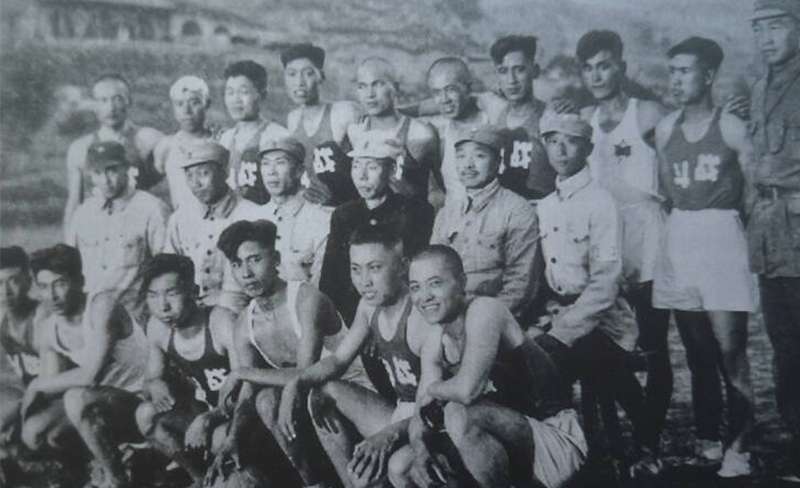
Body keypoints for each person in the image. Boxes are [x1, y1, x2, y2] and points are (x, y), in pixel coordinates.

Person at [394, 245, 584, 488]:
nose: (425, 296)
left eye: (435, 283)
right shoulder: (435, 335)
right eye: (415, 287)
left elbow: (467, 391)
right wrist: (420, 449)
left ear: (461, 282)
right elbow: (420, 413)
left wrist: (433, 389)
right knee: (403, 465)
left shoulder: (485, 310)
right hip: (503, 442)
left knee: (458, 413)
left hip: (554, 442)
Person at [653, 37, 756, 477]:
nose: (676, 80)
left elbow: (751, 193)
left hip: (721, 234)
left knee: (731, 348)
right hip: (682, 233)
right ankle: (709, 440)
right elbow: (665, 191)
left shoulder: (730, 127)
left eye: (685, 71)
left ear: (709, 75)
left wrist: (730, 230)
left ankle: (741, 447)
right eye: (672, 71)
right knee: (697, 350)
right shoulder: (665, 129)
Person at [576, 29, 672, 471]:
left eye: (605, 65)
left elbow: (686, 135)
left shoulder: (647, 113)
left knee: (653, 348)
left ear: (622, 67)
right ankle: (617, 438)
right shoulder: (584, 119)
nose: (597, 75)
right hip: (604, 243)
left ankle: (648, 445)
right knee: (604, 346)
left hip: (647, 238)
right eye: (589, 68)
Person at [213, 219, 368, 488]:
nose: (246, 273)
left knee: (317, 395)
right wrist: (232, 438)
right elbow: (248, 391)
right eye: (237, 264)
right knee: (265, 400)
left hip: (352, 393)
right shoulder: (244, 324)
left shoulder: (307, 299)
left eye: (254, 260)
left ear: (275, 259)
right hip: (303, 405)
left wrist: (242, 372)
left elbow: (307, 374)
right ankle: (314, 483)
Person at [533, 112, 645, 462]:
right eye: (553, 142)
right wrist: (549, 319)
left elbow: (606, 282)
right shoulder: (546, 206)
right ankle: (566, 448)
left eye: (571, 142)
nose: (561, 150)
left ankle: (634, 439)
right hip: (558, 311)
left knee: (564, 357)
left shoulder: (601, 202)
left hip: (603, 319)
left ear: (588, 149)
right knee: (526, 358)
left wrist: (562, 330)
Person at [287, 224, 431, 488]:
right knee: (323, 392)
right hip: (403, 411)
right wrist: (297, 383)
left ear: (403, 266)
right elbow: (338, 360)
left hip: (432, 420)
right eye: (356, 269)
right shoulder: (368, 306)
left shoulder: (420, 312)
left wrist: (388, 434)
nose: (364, 281)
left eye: (374, 268)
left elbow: (438, 404)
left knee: (398, 466)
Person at [22, 244, 148, 488]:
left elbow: (90, 375)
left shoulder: (102, 306)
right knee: (36, 431)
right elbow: (51, 388)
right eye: (44, 287)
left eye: (60, 283)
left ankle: (117, 480)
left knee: (76, 398)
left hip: (142, 398)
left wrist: (36, 384)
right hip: (101, 405)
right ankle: (105, 465)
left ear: (79, 281)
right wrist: (30, 403)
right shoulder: (50, 327)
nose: (52, 295)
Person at [747, 1, 800, 482]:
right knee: (785, 346)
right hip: (771, 231)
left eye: (777, 26)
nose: (766, 38)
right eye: (759, 29)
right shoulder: (761, 87)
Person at [134, 254, 236, 486]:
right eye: (153, 295)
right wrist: (155, 384)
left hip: (237, 415)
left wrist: (209, 418)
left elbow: (247, 389)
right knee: (146, 413)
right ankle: (198, 478)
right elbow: (150, 379)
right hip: (203, 412)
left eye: (171, 293)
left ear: (193, 291)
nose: (163, 306)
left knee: (220, 439)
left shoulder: (221, 322)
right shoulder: (158, 327)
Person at [319, 134, 434, 325]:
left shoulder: (415, 212)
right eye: (356, 166)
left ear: (392, 170)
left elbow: (415, 274)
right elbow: (331, 276)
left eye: (372, 167)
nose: (362, 176)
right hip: (351, 314)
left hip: (401, 313)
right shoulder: (344, 215)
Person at [430, 125, 539, 320]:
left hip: (495, 317)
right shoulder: (447, 213)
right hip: (448, 314)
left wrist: (480, 319)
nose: (468, 165)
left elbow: (521, 284)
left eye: (479, 156)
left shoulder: (517, 210)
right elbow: (433, 271)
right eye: (461, 156)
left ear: (497, 162)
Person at [65, 140, 169, 316]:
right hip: (91, 316)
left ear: (126, 168)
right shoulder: (83, 214)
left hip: (135, 317)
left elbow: (166, 269)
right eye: (98, 173)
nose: (105, 180)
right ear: (90, 175)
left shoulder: (151, 209)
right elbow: (70, 268)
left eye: (112, 170)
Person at [163, 140, 262, 311]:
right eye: (189, 175)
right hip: (190, 311)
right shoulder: (180, 218)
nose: (196, 183)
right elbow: (168, 271)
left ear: (224, 173)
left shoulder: (251, 214)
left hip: (240, 311)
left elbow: (263, 276)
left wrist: (224, 299)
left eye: (203, 173)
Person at [64, 73, 164, 237]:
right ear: (94, 105)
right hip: (96, 232)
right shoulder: (80, 148)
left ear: (128, 101)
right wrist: (68, 246)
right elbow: (74, 203)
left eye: (117, 99)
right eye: (103, 100)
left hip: (137, 229)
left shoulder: (148, 139)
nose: (111, 108)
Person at [347, 57, 441, 203]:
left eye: (378, 84)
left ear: (395, 88)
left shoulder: (420, 133)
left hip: (408, 214)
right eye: (362, 86)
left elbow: (436, 189)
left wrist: (405, 161)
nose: (370, 94)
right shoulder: (355, 130)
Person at [282, 43, 362, 207]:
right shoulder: (293, 119)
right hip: (307, 210)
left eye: (308, 73)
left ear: (321, 76)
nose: (299, 82)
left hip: (344, 207)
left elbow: (367, 165)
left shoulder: (344, 112)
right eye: (292, 74)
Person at [484, 35, 556, 200]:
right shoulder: (495, 112)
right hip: (502, 210)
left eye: (519, 69)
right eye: (503, 71)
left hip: (541, 210)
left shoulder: (550, 117)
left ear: (535, 70)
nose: (512, 80)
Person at [257, 136, 331, 285]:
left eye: (280, 163)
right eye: (265, 163)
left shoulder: (321, 220)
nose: (271, 171)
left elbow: (321, 285)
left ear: (299, 171)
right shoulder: (253, 216)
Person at [422, 57, 492, 207]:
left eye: (451, 89)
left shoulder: (492, 123)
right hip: (455, 218)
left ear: (468, 88)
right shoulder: (439, 137)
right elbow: (438, 189)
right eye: (437, 92)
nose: (444, 99)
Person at [218, 60, 289, 205]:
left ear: (262, 94)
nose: (236, 100)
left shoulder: (278, 135)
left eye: (243, 92)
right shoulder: (225, 139)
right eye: (230, 92)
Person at [0, 247, 43, 474]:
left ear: (29, 280)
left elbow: (54, 382)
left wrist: (16, 415)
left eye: (13, 281)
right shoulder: (4, 322)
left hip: (57, 398)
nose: (6, 291)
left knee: (34, 432)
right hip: (31, 396)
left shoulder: (42, 317)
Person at [153, 75, 218, 210]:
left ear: (207, 104)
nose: (186, 111)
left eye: (194, 103)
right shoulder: (167, 146)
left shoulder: (219, 142)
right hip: (182, 218)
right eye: (180, 104)